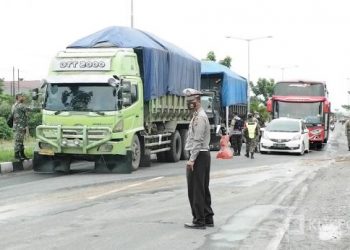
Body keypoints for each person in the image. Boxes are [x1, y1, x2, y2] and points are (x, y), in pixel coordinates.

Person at [183, 88, 214, 230]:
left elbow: (198, 139)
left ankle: (199, 220)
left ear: (198, 101)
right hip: (202, 155)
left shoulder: (200, 117)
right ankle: (207, 218)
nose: (189, 103)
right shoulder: (197, 115)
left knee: (196, 190)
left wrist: (192, 159)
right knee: (202, 188)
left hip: (199, 155)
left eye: (191, 101)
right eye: (188, 100)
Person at [11, 93, 40, 161]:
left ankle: (22, 155)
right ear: (18, 97)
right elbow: (31, 109)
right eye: (22, 97)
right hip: (19, 126)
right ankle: (17, 155)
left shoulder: (14, 105)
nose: (24, 98)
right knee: (18, 141)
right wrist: (40, 108)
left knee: (20, 141)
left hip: (19, 126)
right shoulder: (20, 105)